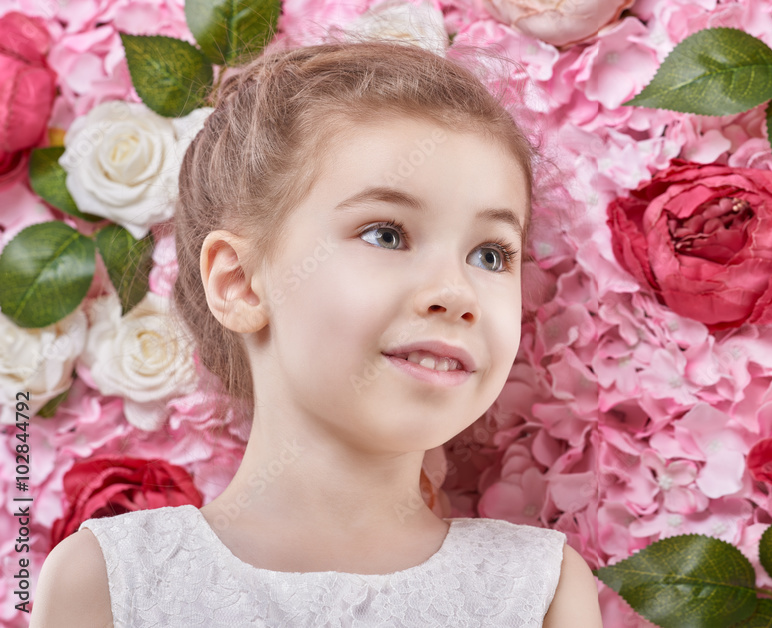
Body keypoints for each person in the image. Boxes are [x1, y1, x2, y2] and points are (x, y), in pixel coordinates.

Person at [29, 36, 603, 628]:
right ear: (240, 282)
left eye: (489, 254)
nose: (456, 293)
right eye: (387, 233)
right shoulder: (110, 584)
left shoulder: (538, 591)